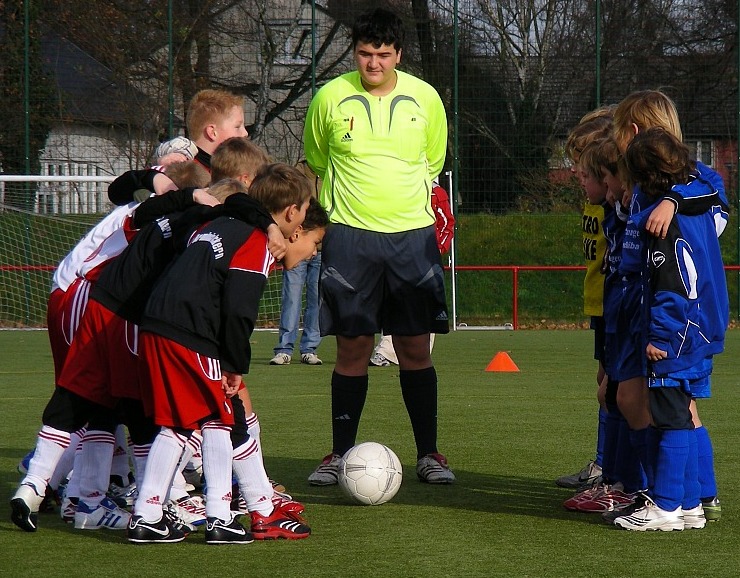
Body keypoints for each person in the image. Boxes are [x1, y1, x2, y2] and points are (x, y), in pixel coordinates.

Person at [303, 8, 454, 486]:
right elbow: (317, 160)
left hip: (412, 238)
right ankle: (339, 455)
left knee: (414, 346)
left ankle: (429, 454)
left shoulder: (426, 99)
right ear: (355, 52)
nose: (373, 64)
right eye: (365, 54)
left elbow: (433, 161)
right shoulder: (329, 97)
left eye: (383, 55)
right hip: (349, 238)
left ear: (399, 55)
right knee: (353, 347)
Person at [129, 163, 315, 544]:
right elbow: (238, 309)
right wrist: (233, 365)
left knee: (197, 420)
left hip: (157, 322)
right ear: (293, 211)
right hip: (191, 331)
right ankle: (187, 515)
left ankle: (186, 515)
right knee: (209, 420)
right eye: (305, 210)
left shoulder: (217, 223)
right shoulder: (255, 240)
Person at [607, 90, 727, 526]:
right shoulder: (658, 196)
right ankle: (692, 499)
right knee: (672, 406)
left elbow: (672, 279)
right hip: (677, 319)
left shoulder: (678, 203)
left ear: (634, 134)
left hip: (674, 323)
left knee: (669, 409)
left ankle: (668, 501)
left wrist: (672, 201)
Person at [555, 108, 613, 490]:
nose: (577, 170)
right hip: (601, 305)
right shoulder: (593, 198)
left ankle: (610, 468)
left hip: (617, 305)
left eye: (582, 162)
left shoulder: (616, 202)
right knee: (606, 382)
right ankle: (605, 464)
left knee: (614, 387)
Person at [369, 178, 455, 367]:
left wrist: (437, 249)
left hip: (426, 259)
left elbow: (447, 223)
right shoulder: (397, 184)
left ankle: (420, 353)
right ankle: (385, 351)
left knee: (426, 306)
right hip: (398, 254)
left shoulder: (435, 192)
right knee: (393, 301)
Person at [270, 160, 324, 366]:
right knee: (291, 297)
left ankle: (309, 348)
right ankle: (284, 348)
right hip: (297, 243)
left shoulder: (332, 168)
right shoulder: (297, 172)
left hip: (319, 249)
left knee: (317, 299)